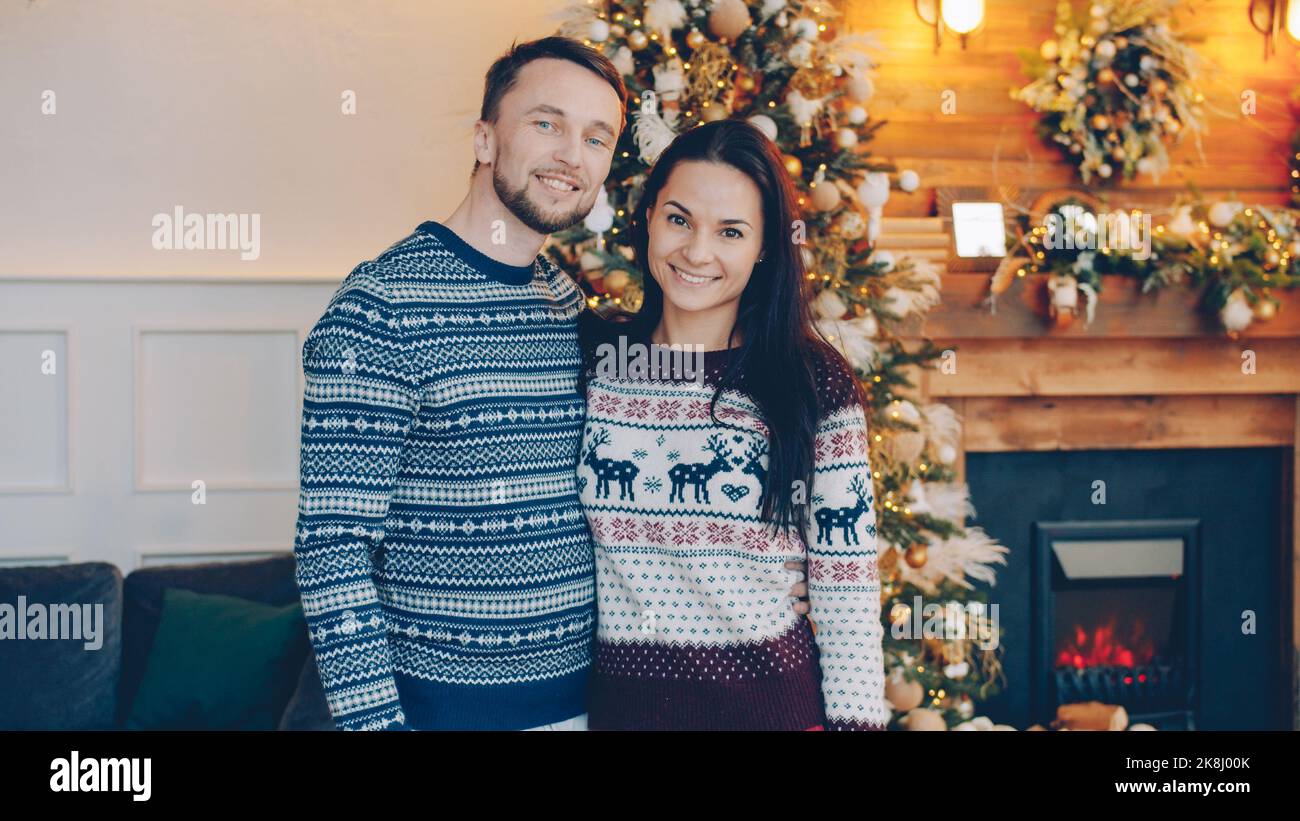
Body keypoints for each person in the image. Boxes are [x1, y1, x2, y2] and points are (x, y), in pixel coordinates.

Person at [291, 37, 809, 731]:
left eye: (597, 137)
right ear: (484, 137)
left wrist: (768, 577)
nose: (572, 153)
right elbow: (332, 548)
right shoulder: (382, 306)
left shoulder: (567, 305)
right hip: (441, 714)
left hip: (591, 708)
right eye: (547, 123)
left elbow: (666, 458)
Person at [577, 119, 889, 730]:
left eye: (731, 232)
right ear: (646, 220)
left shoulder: (812, 382)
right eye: (679, 219)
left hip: (770, 713)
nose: (697, 252)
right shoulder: (595, 360)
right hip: (623, 716)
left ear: (765, 247)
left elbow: (847, 591)